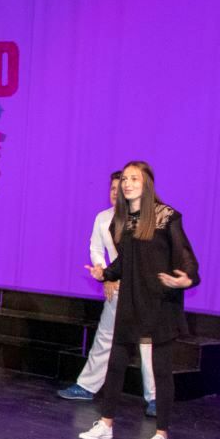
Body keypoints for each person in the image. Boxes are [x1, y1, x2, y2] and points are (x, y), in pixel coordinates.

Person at [79, 161, 199, 439]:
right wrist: (104, 274)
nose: (127, 184)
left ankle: (161, 435)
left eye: (134, 179)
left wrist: (186, 278)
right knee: (116, 363)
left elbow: (186, 255)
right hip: (131, 301)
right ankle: (106, 423)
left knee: (161, 371)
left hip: (160, 303)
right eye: (124, 179)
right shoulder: (122, 221)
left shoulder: (166, 216)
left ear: (147, 184)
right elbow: (125, 262)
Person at [58, 171, 157, 416]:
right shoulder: (103, 218)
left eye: (120, 187)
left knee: (146, 343)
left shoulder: (145, 218)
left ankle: (155, 397)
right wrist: (104, 274)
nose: (116, 192)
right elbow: (96, 249)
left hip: (143, 290)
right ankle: (86, 386)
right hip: (117, 287)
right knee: (105, 337)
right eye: (113, 188)